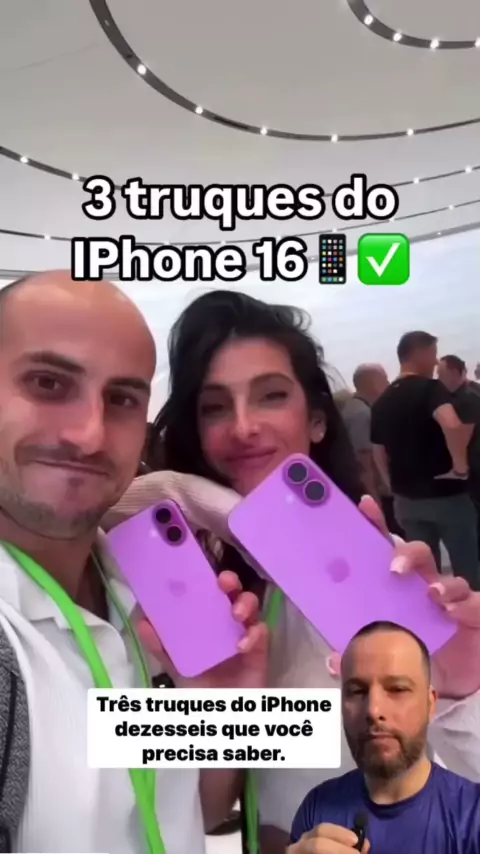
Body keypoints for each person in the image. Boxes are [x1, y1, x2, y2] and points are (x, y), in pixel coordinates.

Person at [114, 292, 480, 854]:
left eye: (272, 395)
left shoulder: (383, 565)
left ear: (316, 421)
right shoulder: (191, 579)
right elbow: (200, 810)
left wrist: (463, 688)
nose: (243, 427)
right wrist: (219, 719)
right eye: (214, 407)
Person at [0, 273, 267, 854]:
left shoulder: (135, 592)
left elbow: (180, 810)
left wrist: (222, 711)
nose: (89, 436)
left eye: (122, 398)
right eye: (48, 383)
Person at [288, 622, 480, 854]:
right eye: (357, 691)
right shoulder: (317, 808)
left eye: (397, 689)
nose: (373, 709)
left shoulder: (472, 815)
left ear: (430, 704)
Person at [371, 331, 479, 590]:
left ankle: (434, 614)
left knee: (424, 575)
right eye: (433, 354)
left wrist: (391, 484)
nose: (435, 361)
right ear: (419, 354)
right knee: (467, 574)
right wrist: (460, 466)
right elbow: (451, 424)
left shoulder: (382, 401)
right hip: (445, 495)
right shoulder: (430, 389)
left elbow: (378, 450)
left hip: (406, 500)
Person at [340, 364, 402, 535]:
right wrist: (375, 501)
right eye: (384, 380)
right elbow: (364, 462)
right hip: (378, 495)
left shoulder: (355, 408)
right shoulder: (361, 414)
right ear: (373, 383)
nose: (388, 384)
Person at [437, 355, 480, 561]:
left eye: (441, 373)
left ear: (454, 372)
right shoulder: (471, 392)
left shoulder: (466, 398)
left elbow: (462, 439)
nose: (438, 378)